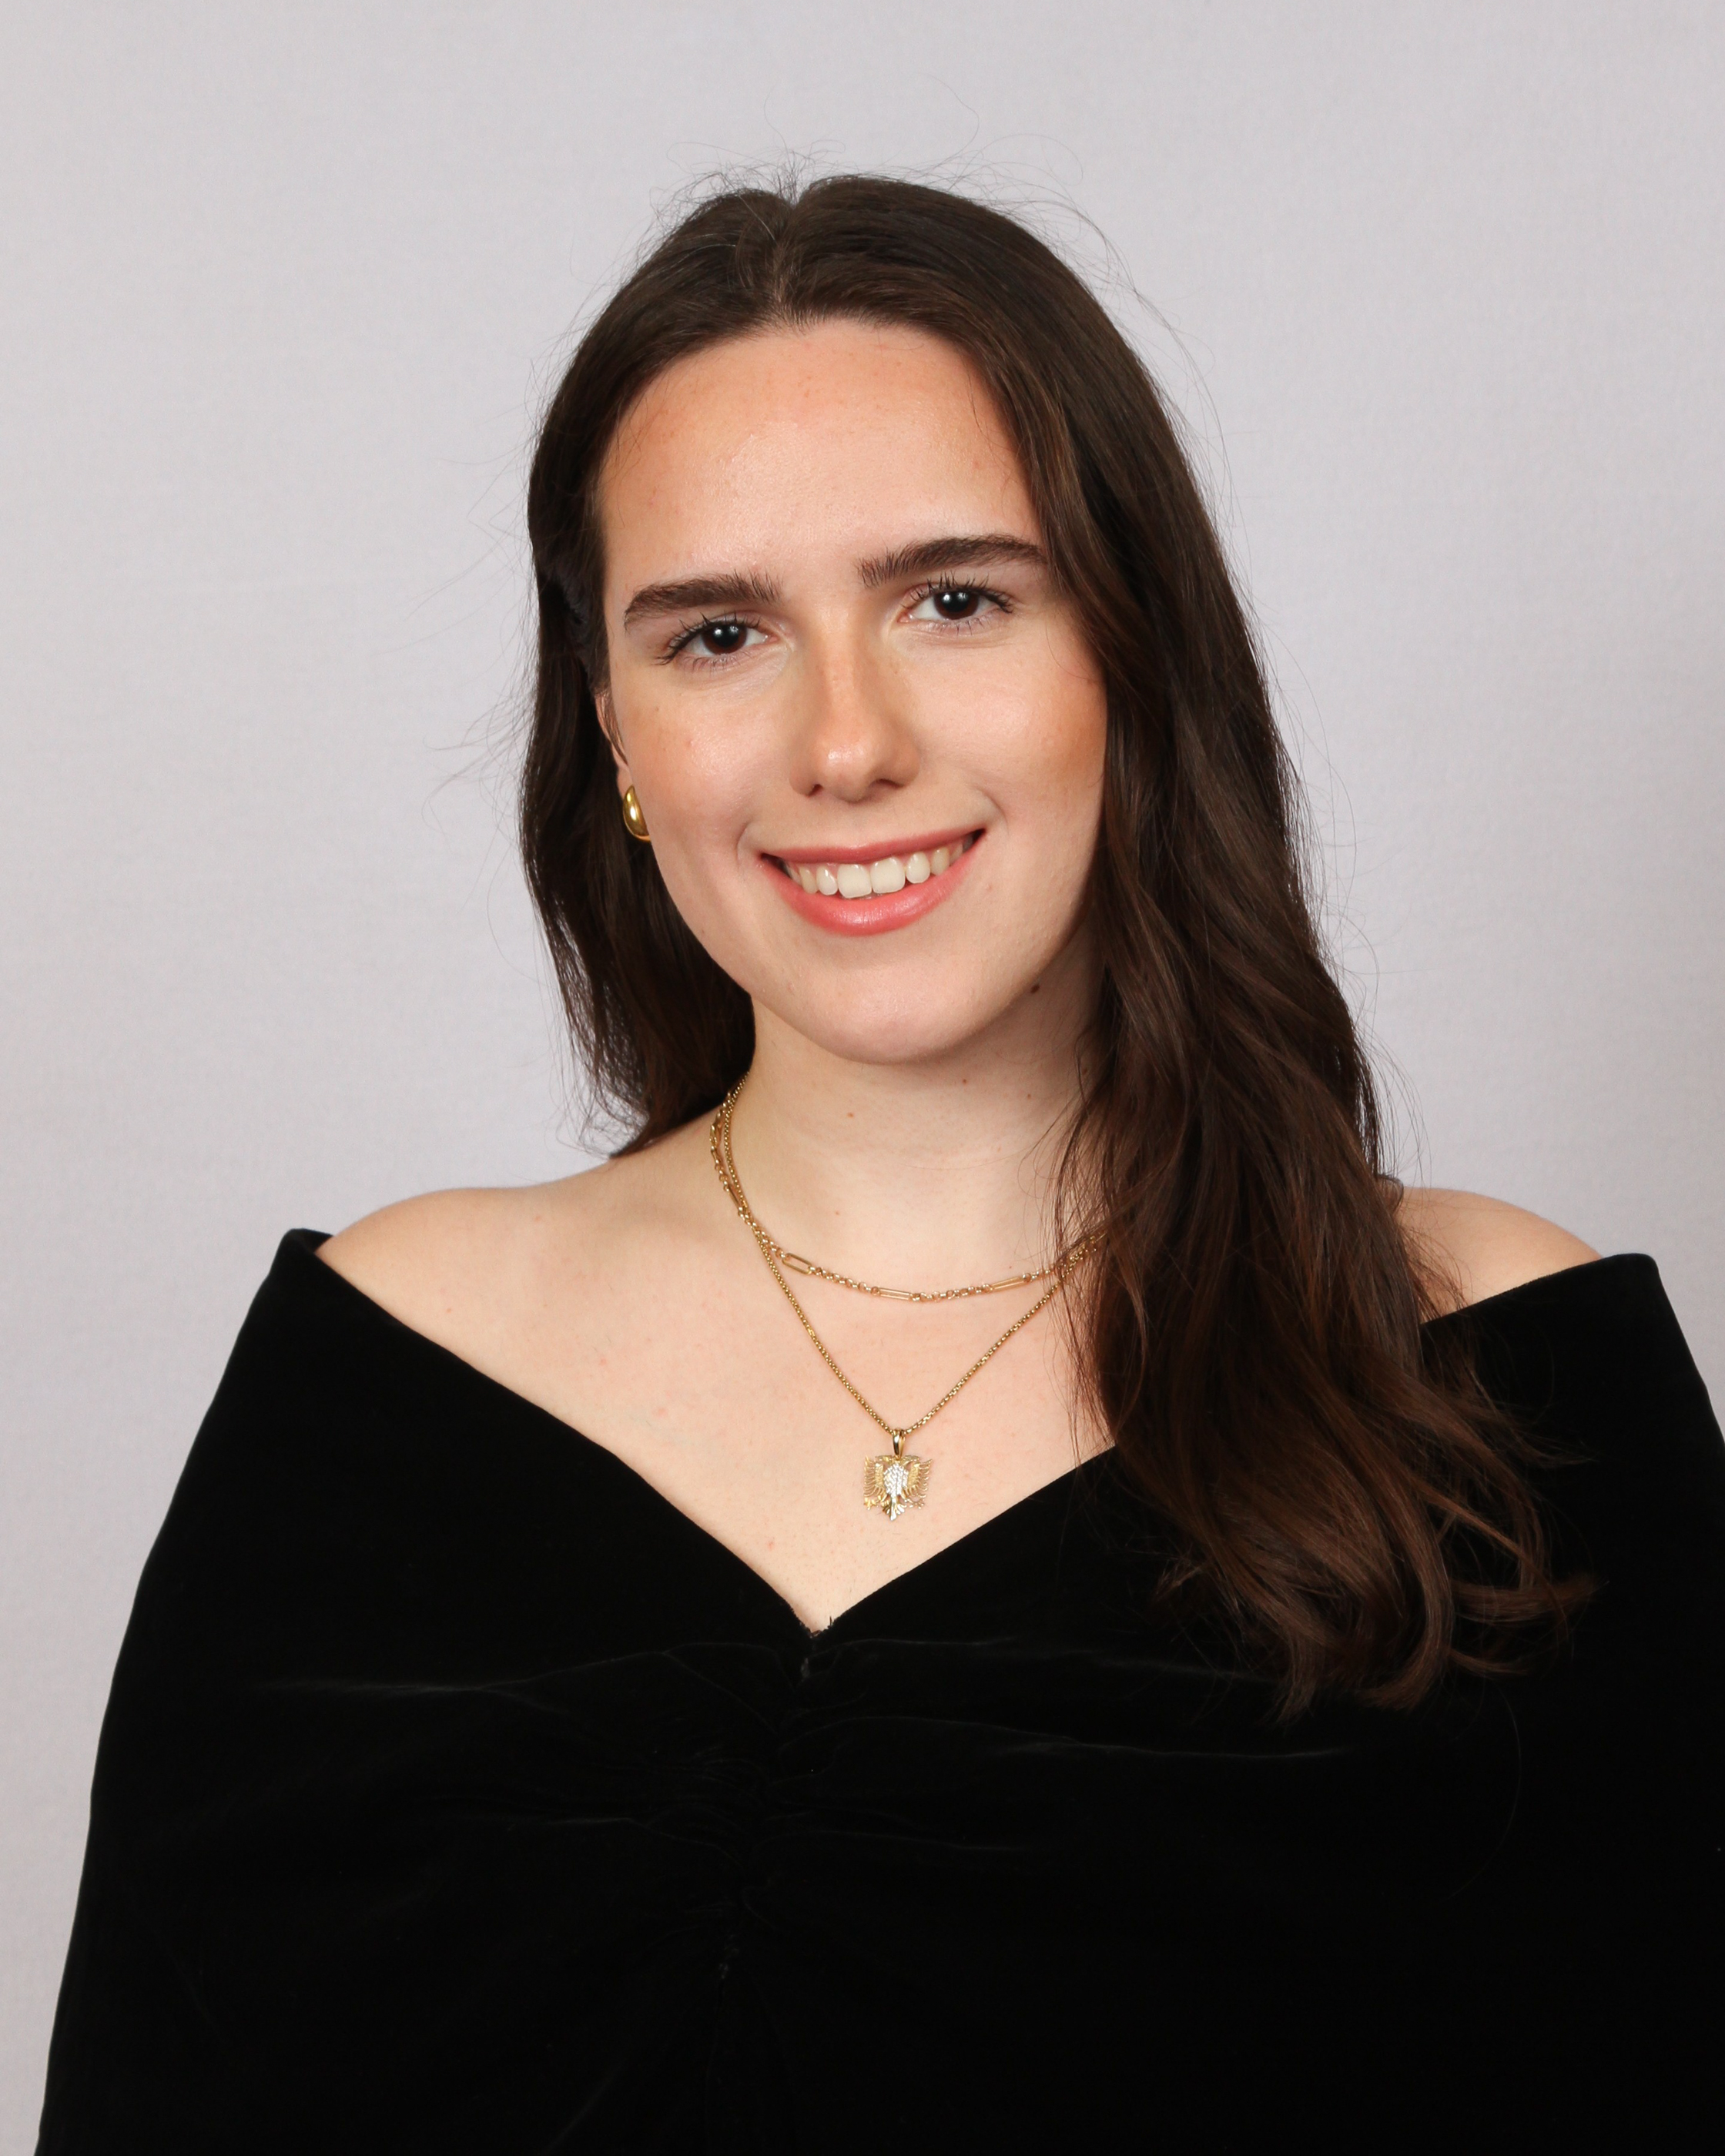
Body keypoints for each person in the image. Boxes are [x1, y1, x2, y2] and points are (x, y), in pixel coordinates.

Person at [37, 176, 1723, 2152]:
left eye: (954, 599)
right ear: (618, 734)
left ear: (1135, 655)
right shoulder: (378, 1373)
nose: (845, 743)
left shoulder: (1493, 1365)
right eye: (719, 631)